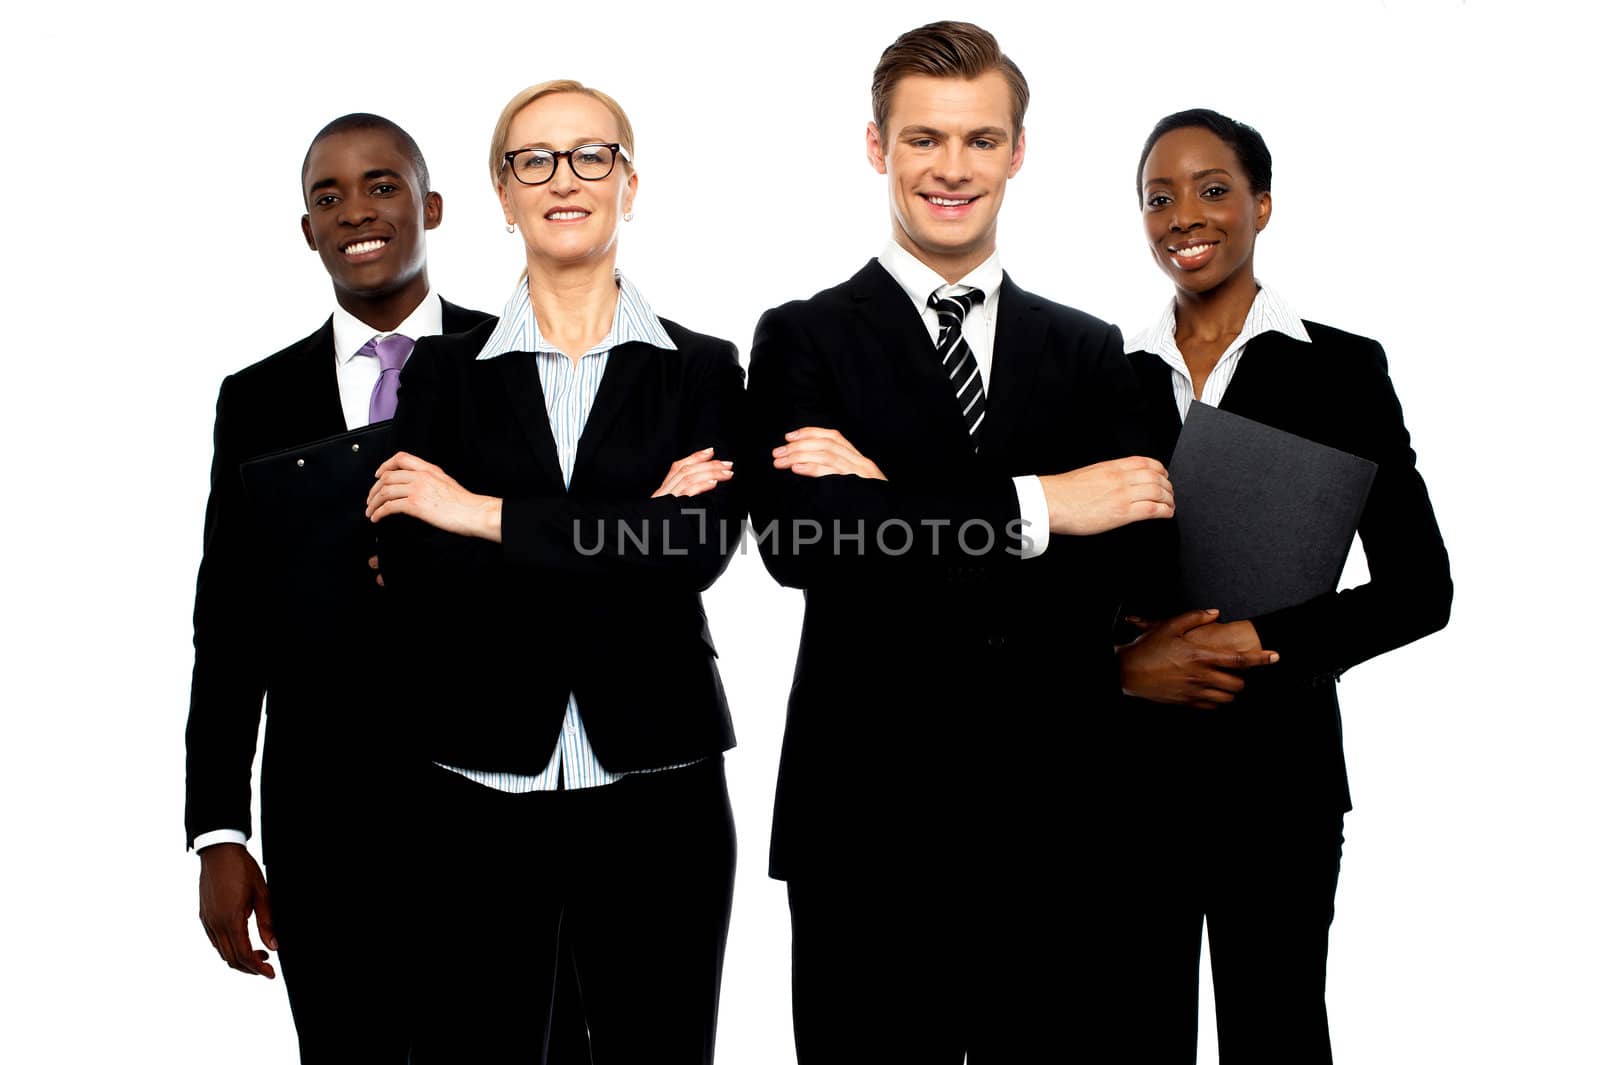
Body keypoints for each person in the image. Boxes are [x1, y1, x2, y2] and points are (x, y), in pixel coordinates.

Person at [744, 21, 1175, 1062]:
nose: (951, 169)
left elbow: (1123, 556)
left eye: (981, 141)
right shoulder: (803, 336)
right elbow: (804, 541)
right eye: (924, 139)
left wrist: (892, 500)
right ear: (875, 146)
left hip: (1059, 818)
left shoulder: (1088, 351)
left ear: (1017, 152)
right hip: (865, 824)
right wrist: (1042, 507)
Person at [365, 80, 742, 1064]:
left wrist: (481, 514)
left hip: (657, 783)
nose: (561, 179)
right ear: (501, 193)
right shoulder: (442, 375)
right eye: (533, 159)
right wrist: (626, 528)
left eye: (589, 156)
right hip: (478, 785)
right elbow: (414, 567)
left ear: (628, 182)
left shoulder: (701, 370)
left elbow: (692, 550)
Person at [1113, 108, 1453, 1063]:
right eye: (1159, 196)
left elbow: (1422, 588)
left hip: (1281, 781)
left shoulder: (1342, 371)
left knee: (1280, 1034)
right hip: (1126, 781)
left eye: (1213, 189)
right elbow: (1051, 588)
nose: (1185, 215)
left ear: (1262, 205)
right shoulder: (1102, 380)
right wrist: (1124, 662)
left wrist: (1261, 639)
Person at [183, 113, 492, 1062]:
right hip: (327, 826)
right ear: (307, 229)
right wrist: (219, 830)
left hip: (503, 806)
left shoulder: (517, 366)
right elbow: (228, 625)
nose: (357, 210)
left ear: (431, 206)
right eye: (328, 196)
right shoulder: (257, 398)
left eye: (383, 184)